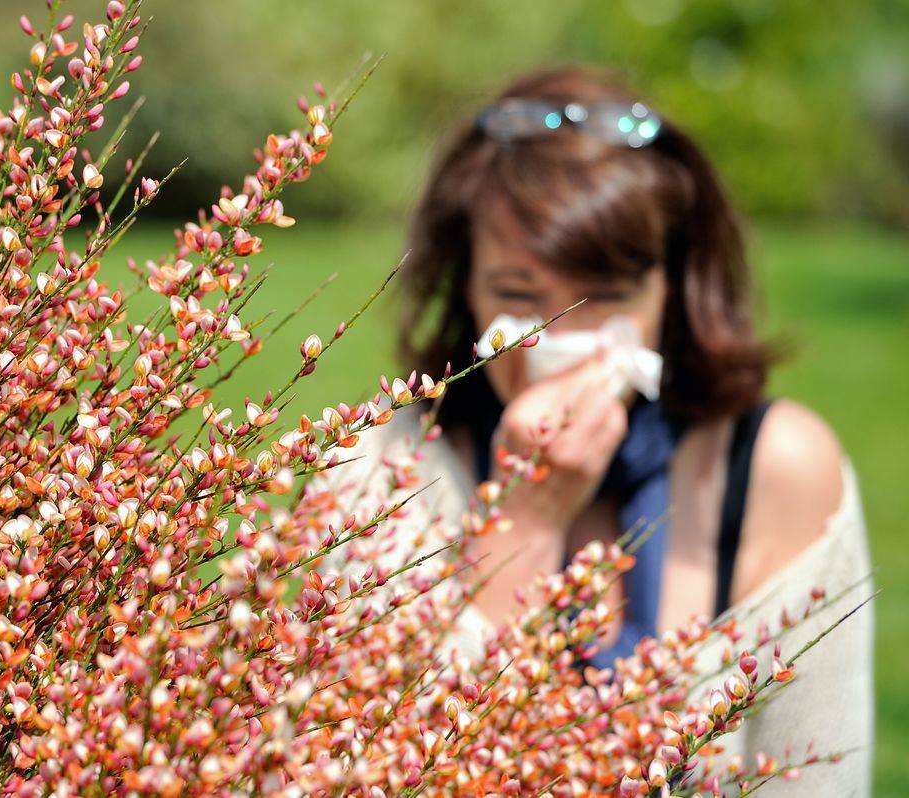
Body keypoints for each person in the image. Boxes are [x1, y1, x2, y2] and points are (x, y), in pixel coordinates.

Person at [346, 65, 873, 794]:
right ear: (463, 287)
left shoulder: (774, 471)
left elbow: (820, 775)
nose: (568, 339)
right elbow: (366, 770)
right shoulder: (386, 470)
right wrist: (523, 520)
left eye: (609, 298)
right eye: (517, 295)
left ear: (674, 289)